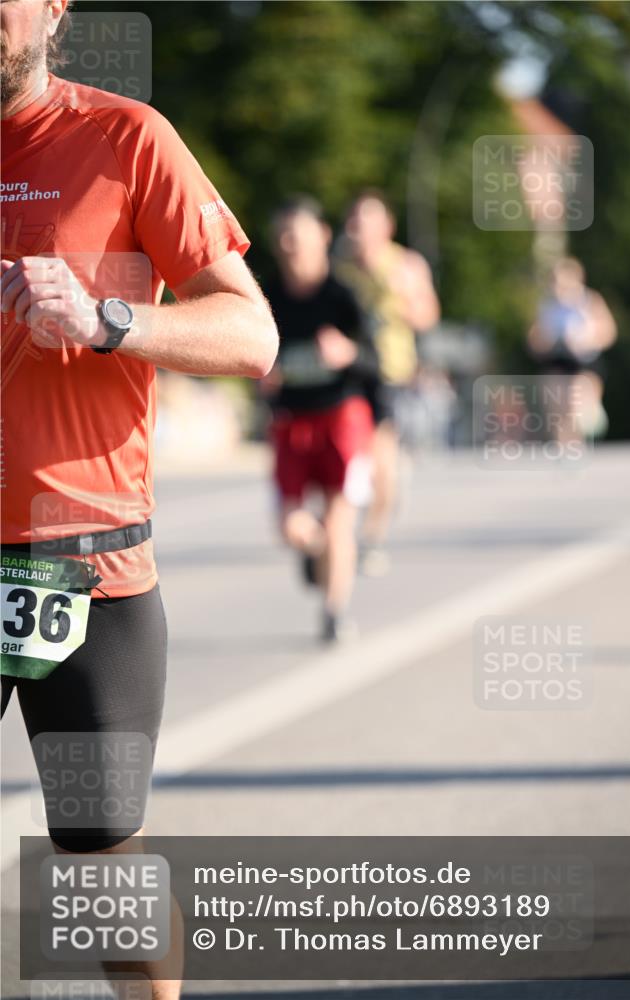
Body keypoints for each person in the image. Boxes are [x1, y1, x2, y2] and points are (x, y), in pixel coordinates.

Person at [0, 2, 278, 998]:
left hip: (83, 562)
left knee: (102, 868)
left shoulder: (125, 138)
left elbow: (251, 337)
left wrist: (108, 316)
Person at [263, 197, 377, 641]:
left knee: (340, 517)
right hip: (292, 421)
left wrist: (348, 353)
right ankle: (319, 551)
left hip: (342, 417)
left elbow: (375, 359)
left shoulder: (342, 296)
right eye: (284, 236)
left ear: (322, 236)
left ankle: (334, 612)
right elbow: (249, 350)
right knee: (292, 525)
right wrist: (263, 375)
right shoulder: (267, 294)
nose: (292, 244)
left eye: (300, 234)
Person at [335, 190, 440, 576]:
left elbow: (428, 316)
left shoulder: (407, 265)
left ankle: (373, 537)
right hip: (347, 374)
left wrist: (404, 294)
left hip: (389, 374)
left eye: (366, 222)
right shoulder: (341, 268)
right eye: (354, 222)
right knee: (342, 459)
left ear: (386, 227)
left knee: (381, 466)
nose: (358, 230)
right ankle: (335, 531)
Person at [527, 257, 617, 444]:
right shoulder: (547, 306)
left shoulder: (590, 301)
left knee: (575, 404)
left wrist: (588, 340)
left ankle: (589, 417)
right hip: (558, 359)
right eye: (556, 282)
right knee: (556, 404)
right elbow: (533, 342)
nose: (560, 287)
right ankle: (565, 447)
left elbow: (610, 333)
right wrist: (545, 340)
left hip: (585, 361)